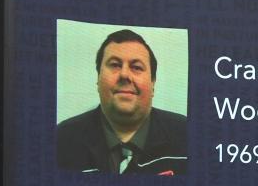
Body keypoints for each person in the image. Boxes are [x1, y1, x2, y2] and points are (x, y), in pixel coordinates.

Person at [57, 29, 188, 175]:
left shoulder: (187, 136)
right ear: (98, 78)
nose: (124, 74)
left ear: (153, 83)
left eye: (136, 67)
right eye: (115, 65)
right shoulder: (61, 141)